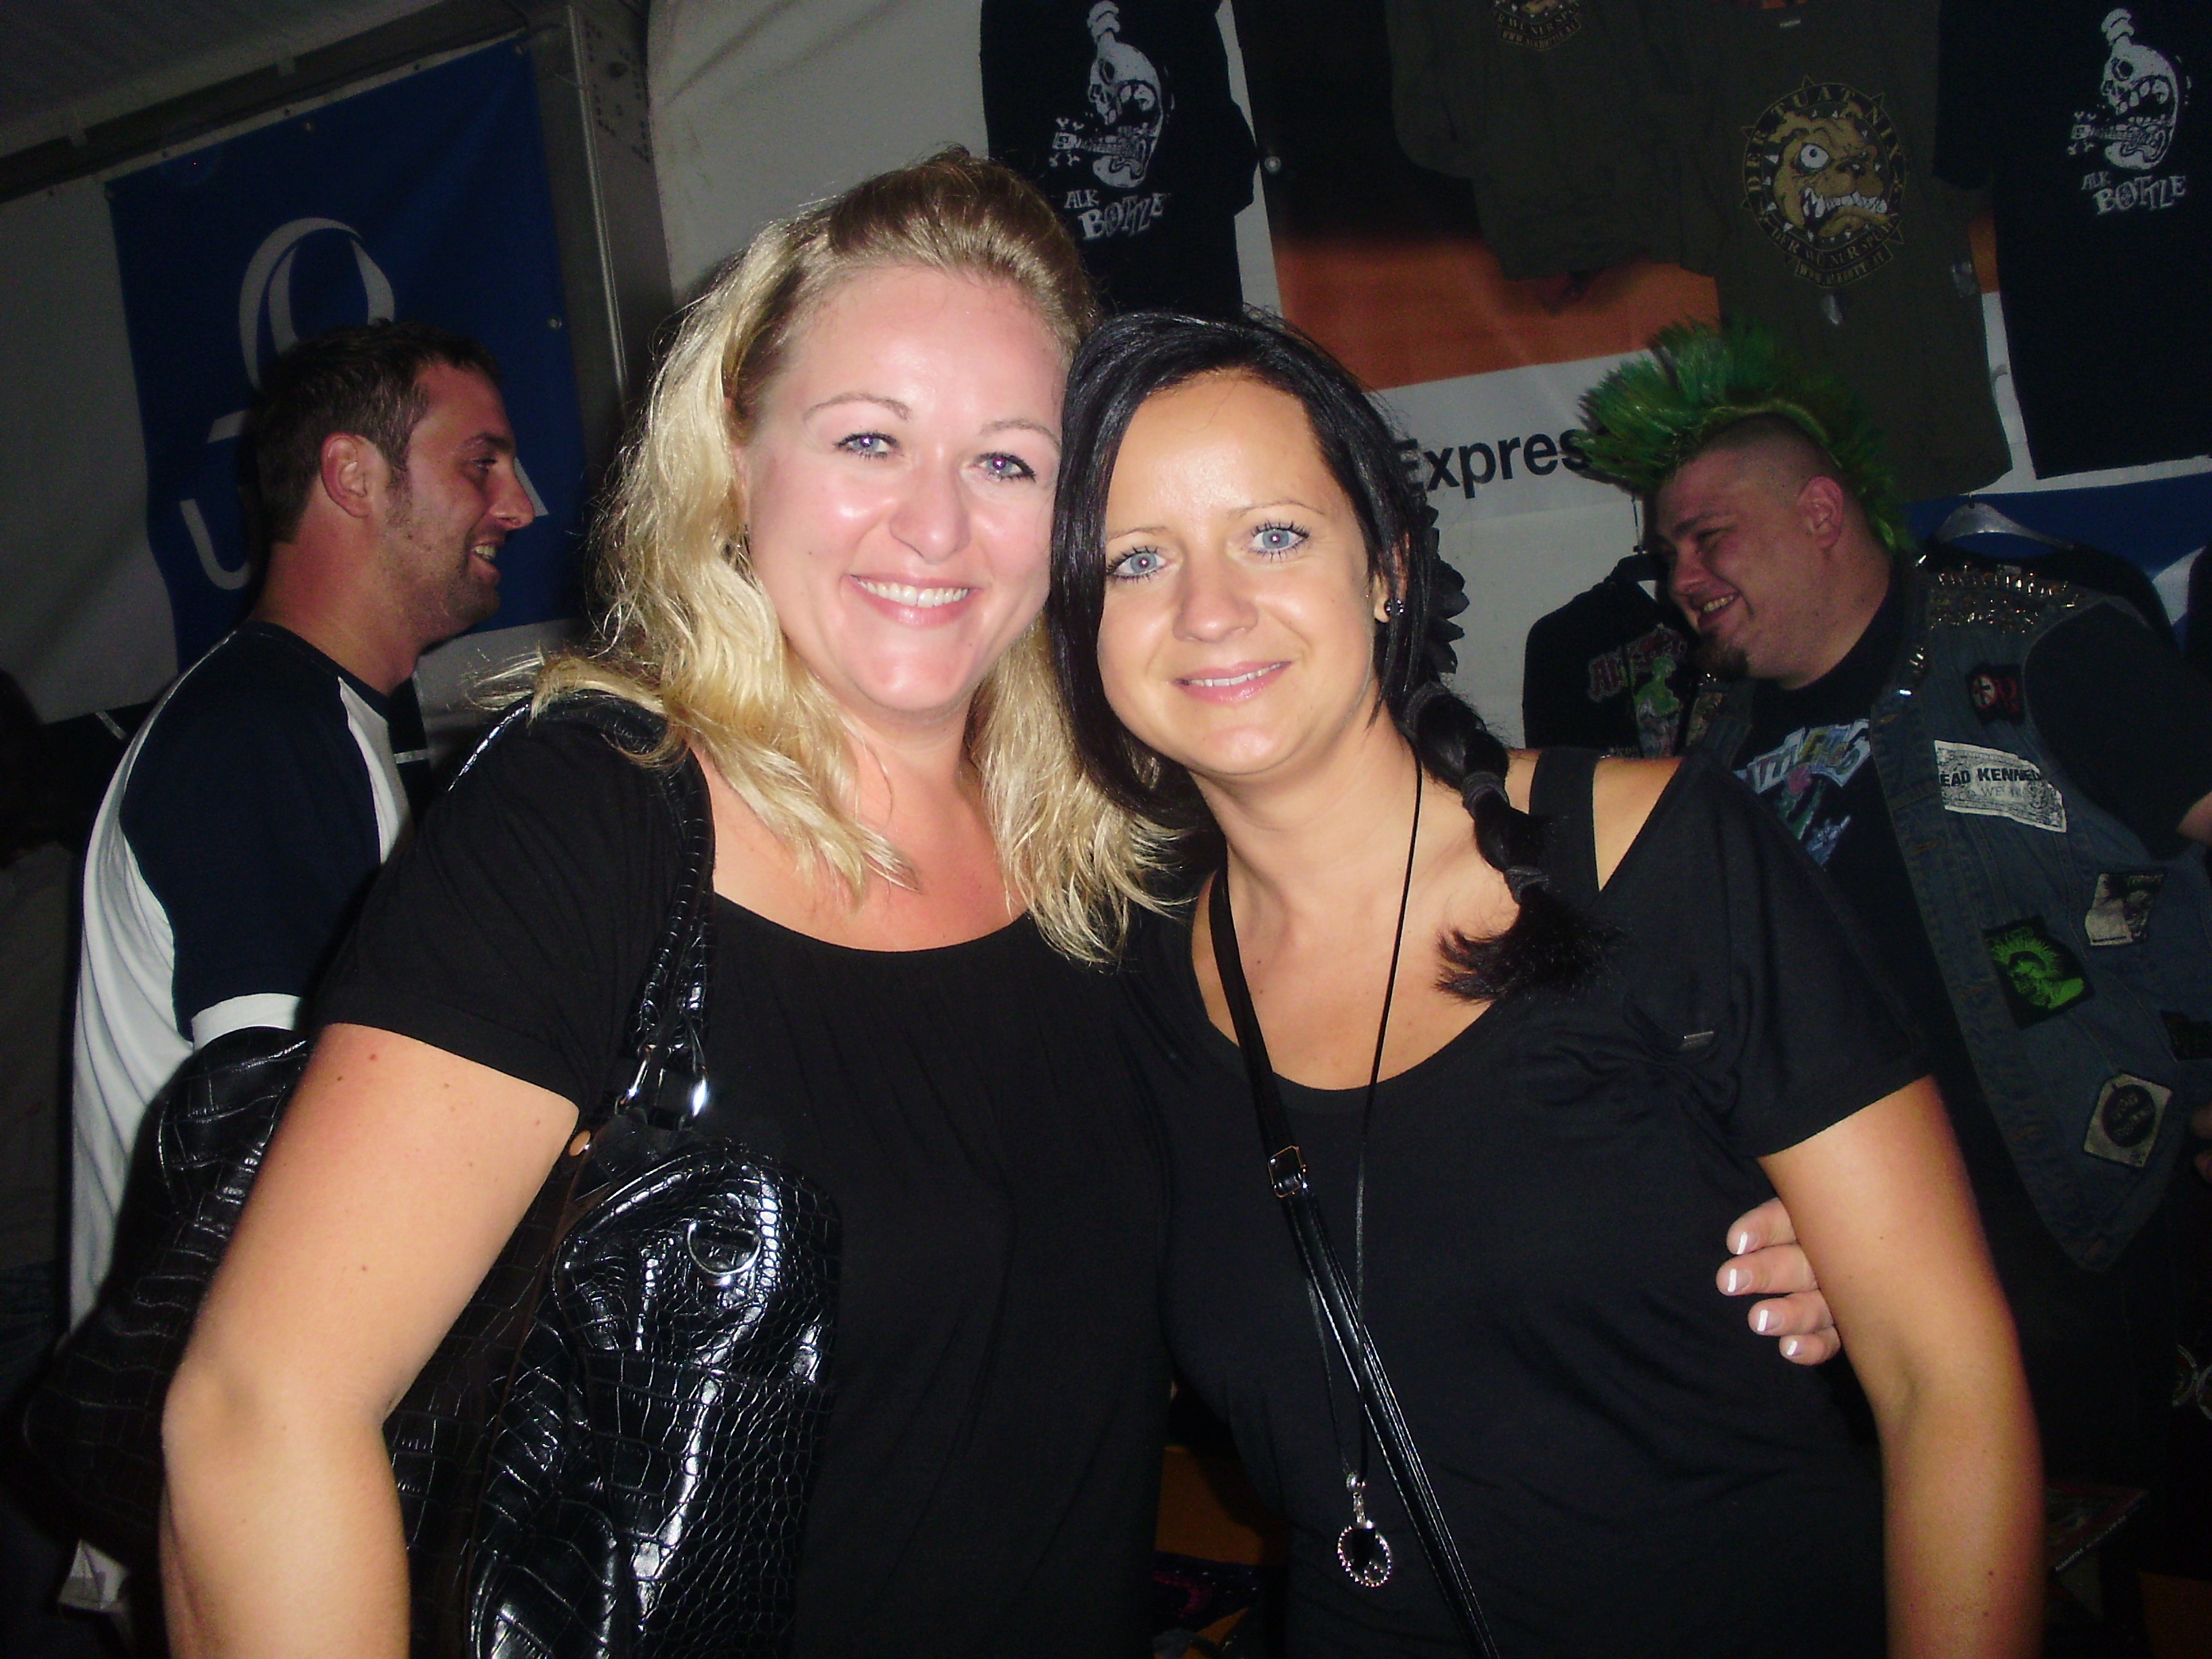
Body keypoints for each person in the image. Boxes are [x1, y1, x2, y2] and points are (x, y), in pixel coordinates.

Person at [161, 155, 1831, 1657]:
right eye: (868, 439)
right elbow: (257, 1419)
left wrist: (1719, 1222)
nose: (937, 525)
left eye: (1010, 462)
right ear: (737, 459)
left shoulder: (1122, 870)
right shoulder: (590, 819)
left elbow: (1382, 1174)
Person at [1044, 310, 2041, 1655]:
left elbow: (1947, 1381)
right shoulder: (1122, 987)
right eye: (1137, 558)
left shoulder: (1658, 857)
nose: (1208, 610)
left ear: (1387, 568)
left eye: (1272, 535)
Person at [1578, 322, 2212, 1511]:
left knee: (2102, 1558)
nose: (1682, 580)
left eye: (1709, 537)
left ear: (1822, 512)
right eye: (1668, 554)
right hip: (1855, 1260)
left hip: (2078, 1229)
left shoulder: (2038, 646)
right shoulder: (1713, 744)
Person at [70, 321, 531, 1322]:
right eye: (481, 464)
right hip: (208, 1386)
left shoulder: (306, 721)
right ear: (353, 476)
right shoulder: (259, 737)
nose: (520, 506)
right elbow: (281, 1137)